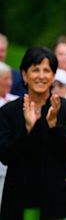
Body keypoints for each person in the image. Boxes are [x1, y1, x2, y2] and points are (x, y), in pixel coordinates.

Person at [0, 47, 66, 219]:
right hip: (23, 195)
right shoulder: (9, 111)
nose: (41, 75)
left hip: (59, 196)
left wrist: (54, 126)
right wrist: (27, 130)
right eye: (35, 69)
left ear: (53, 76)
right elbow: (6, 156)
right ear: (24, 75)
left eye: (47, 70)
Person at [0, 61, 18, 209]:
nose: (10, 82)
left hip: (10, 165)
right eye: (6, 79)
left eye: (10, 78)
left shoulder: (15, 101)